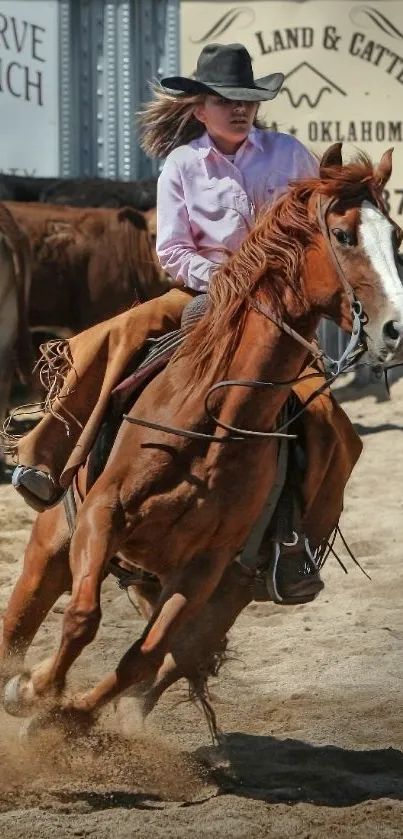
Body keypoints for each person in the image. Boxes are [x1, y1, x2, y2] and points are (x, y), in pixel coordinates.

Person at [10, 43, 362, 603]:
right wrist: (224, 278)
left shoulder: (291, 155)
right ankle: (49, 451)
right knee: (123, 334)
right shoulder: (182, 165)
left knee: (321, 414)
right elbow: (171, 251)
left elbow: (320, 229)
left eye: (248, 99)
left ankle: (290, 538)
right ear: (200, 108)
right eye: (227, 100)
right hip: (203, 294)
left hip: (280, 313)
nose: (240, 108)